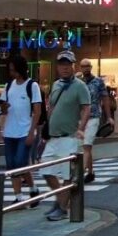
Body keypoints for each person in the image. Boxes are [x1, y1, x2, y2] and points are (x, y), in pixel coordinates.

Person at [41, 51, 90, 222]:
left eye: (68, 64)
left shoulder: (80, 86)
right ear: (57, 67)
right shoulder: (55, 85)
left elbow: (86, 108)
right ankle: (60, 199)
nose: (65, 68)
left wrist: (81, 128)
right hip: (53, 136)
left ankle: (62, 207)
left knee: (67, 175)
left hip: (69, 136)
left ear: (73, 65)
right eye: (62, 64)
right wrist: (46, 128)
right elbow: (51, 107)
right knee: (46, 170)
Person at [0, 56, 42, 206]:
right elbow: (3, 108)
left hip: (25, 130)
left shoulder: (32, 85)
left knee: (20, 162)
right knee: (11, 164)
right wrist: (3, 109)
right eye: (10, 70)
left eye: (14, 69)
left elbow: (37, 110)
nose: (12, 73)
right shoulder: (9, 85)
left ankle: (32, 188)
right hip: (10, 130)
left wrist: (32, 132)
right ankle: (20, 195)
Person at [79, 59, 105, 183]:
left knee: (86, 145)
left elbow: (105, 98)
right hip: (80, 117)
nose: (86, 68)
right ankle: (90, 172)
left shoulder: (98, 81)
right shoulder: (78, 82)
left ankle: (80, 175)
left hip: (94, 115)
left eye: (88, 66)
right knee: (86, 147)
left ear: (91, 67)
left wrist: (109, 117)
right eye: (83, 66)